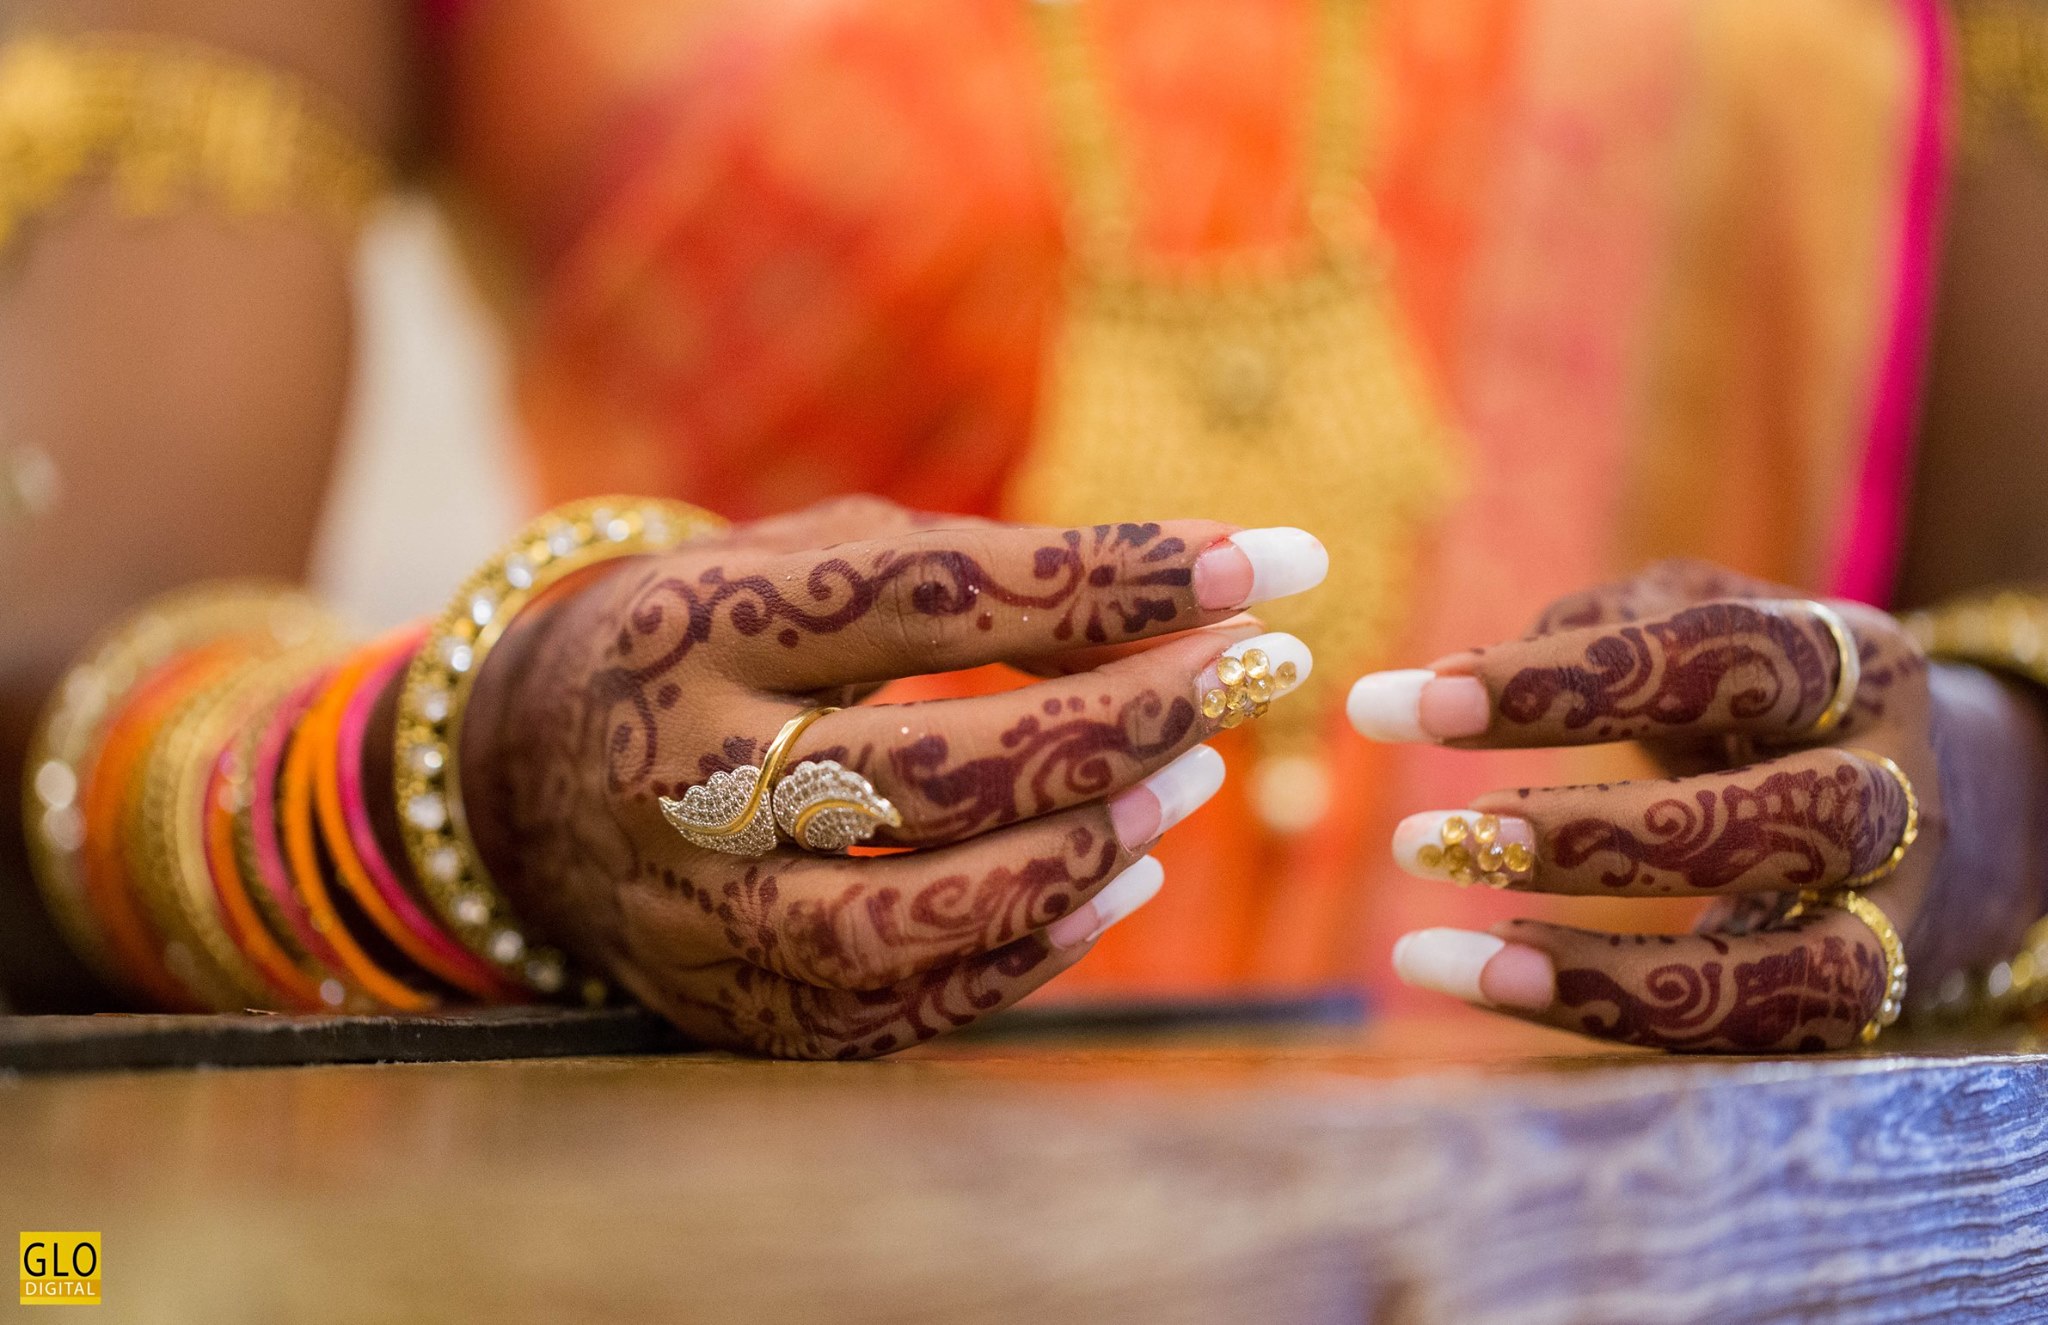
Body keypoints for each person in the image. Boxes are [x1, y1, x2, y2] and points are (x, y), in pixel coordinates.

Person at [4, 0, 2047, 1056]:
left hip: (1722, 1225)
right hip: (756, 1232)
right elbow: (55, 667)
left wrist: (1969, 803)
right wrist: (465, 780)